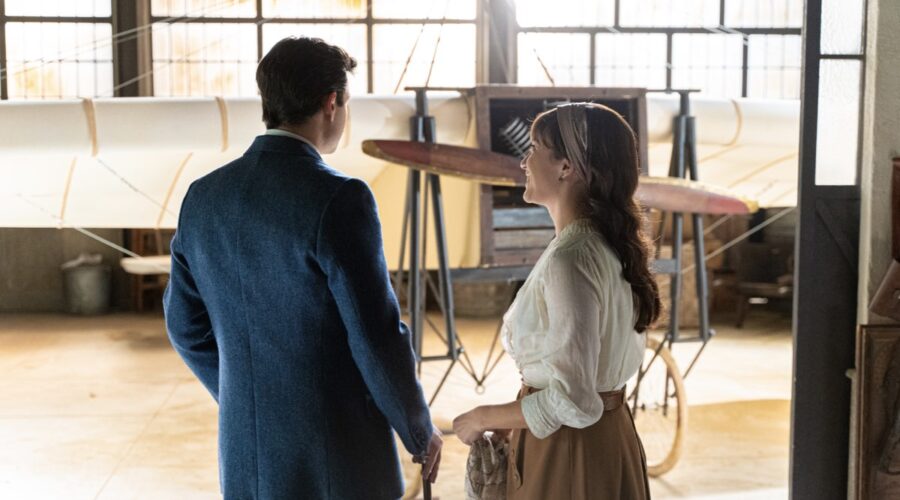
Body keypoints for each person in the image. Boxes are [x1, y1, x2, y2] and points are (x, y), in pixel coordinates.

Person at [164, 36, 441, 499]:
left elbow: (184, 328)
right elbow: (374, 335)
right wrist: (417, 429)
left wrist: (244, 398)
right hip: (337, 454)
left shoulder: (203, 196)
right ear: (331, 103)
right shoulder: (338, 198)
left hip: (245, 454)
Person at [452, 103, 658, 499]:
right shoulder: (600, 246)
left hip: (570, 449)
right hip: (604, 439)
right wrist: (520, 419)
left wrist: (482, 416)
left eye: (534, 149)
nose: (524, 161)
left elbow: (573, 401)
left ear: (567, 167)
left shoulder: (572, 258)